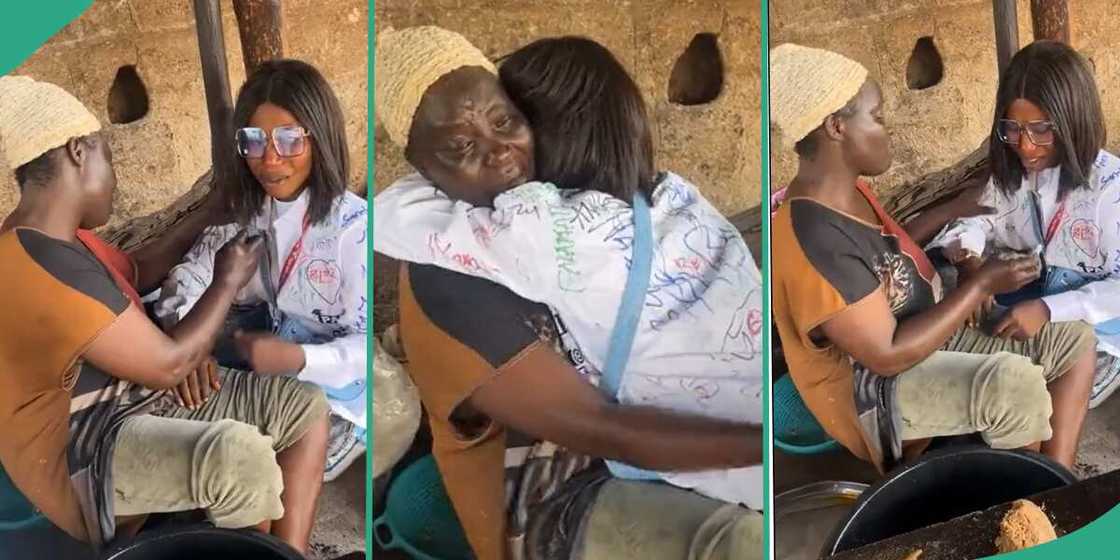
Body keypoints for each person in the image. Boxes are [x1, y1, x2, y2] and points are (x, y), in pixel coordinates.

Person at [376, 26, 761, 560]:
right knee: (739, 543)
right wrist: (763, 447)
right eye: (462, 146)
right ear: (423, 168)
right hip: (550, 491)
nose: (502, 153)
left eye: (507, 121)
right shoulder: (450, 273)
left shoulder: (585, 218)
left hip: (651, 441)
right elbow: (603, 429)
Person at [0, 75, 329, 553]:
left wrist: (204, 215)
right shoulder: (32, 264)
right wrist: (228, 280)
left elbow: (135, 271)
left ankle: (286, 555)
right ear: (78, 151)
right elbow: (167, 363)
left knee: (302, 407)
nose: (114, 182)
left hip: (128, 396)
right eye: (108, 159)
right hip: (84, 448)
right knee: (240, 459)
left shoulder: (59, 237)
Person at [769, 43, 1096, 472]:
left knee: (1074, 339)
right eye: (878, 117)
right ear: (836, 127)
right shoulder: (810, 240)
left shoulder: (847, 193)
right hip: (875, 391)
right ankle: (1022, 502)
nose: (889, 131)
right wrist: (978, 285)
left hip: (922, 331)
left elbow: (891, 252)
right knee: (1015, 389)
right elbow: (885, 355)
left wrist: (948, 212)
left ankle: (1058, 479)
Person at [155, 59, 368, 482]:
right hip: (267, 363)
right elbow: (190, 277)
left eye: (290, 139)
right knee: (189, 437)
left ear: (320, 138)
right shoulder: (252, 213)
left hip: (337, 392)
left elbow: (366, 349)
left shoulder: (355, 229)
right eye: (254, 140)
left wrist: (300, 357)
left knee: (253, 472)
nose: (269, 159)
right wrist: (189, 343)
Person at [929, 40, 1120, 409]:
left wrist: (1051, 310)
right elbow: (973, 220)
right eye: (1012, 129)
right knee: (987, 378)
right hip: (1034, 297)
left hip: (1099, 323)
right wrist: (969, 262)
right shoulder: (1014, 174)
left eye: (1040, 129)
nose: (1026, 146)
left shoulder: (1110, 191)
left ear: (1073, 120)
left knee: (1044, 398)